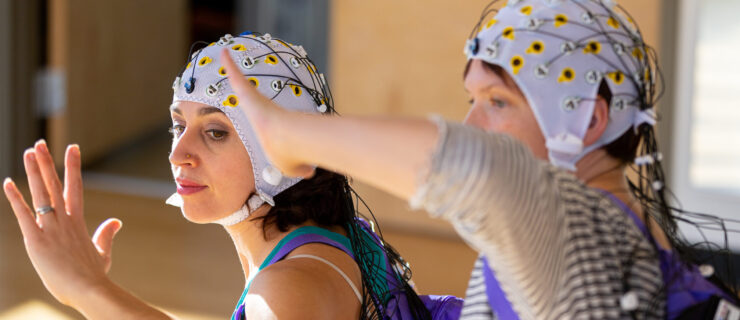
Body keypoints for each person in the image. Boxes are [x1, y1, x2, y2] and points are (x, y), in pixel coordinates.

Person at [214, 1, 740, 319]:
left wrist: (288, 135)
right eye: (473, 101)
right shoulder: (624, 226)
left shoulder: (581, 227)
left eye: (498, 103)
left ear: (590, 120)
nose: (473, 125)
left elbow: (482, 172)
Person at [3, 32, 457, 319]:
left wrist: (85, 288)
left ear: (284, 150)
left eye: (216, 132)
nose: (179, 152)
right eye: (179, 125)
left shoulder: (288, 289)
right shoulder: (331, 233)